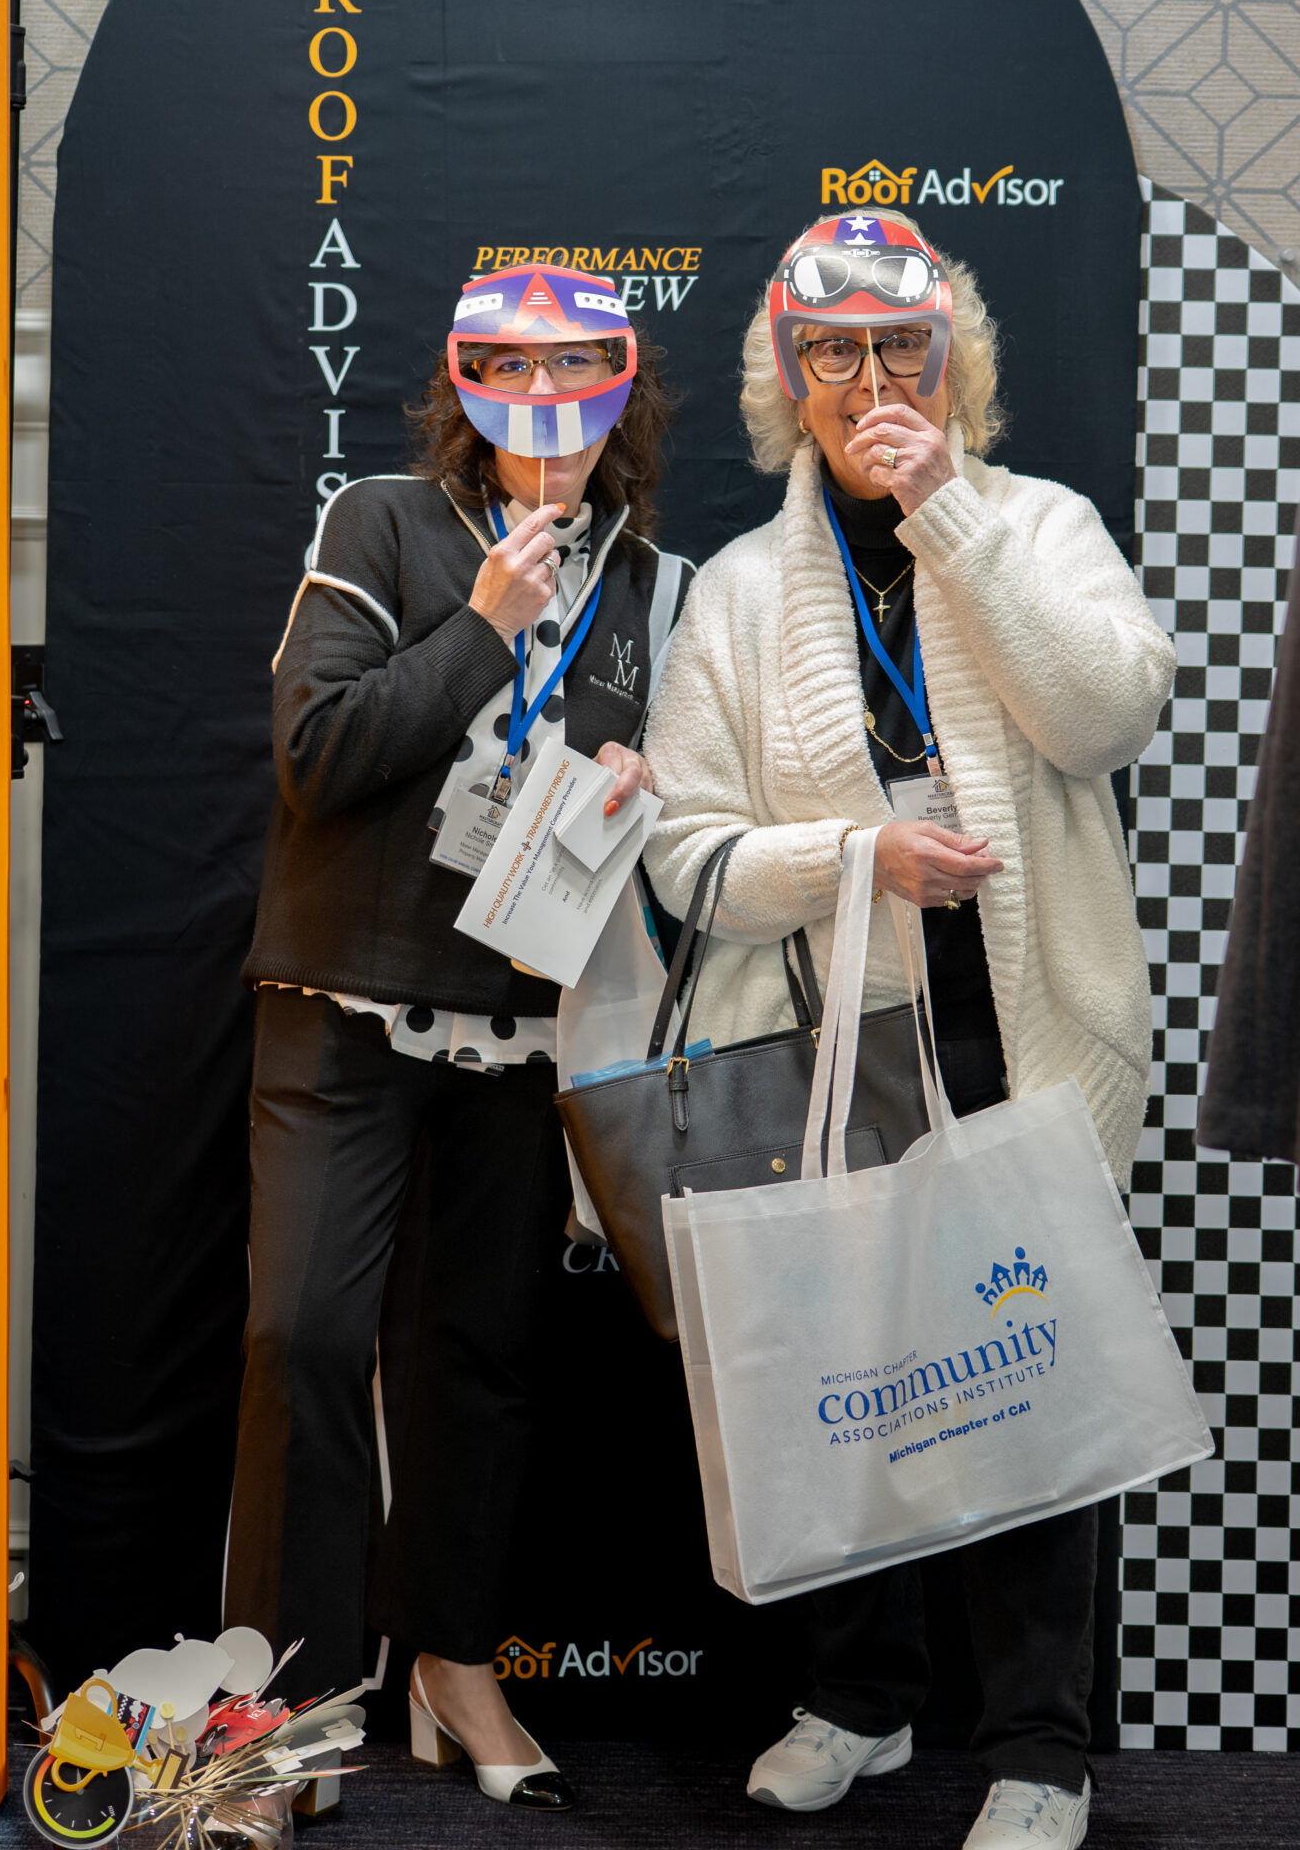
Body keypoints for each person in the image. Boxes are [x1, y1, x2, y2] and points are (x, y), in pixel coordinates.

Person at [643, 210, 1174, 1850]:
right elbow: (683, 856)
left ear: (955, 366)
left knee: (1033, 1376)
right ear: (788, 380)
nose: (869, 382)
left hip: (1021, 1027)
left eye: (900, 349)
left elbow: (1109, 713)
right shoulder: (738, 594)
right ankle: (861, 1701)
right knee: (844, 1377)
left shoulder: (1041, 524)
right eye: (833, 352)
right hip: (830, 1048)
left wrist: (947, 511)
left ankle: (1041, 1751)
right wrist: (856, 856)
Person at [223, 261, 689, 1820]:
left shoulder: (656, 585)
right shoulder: (382, 523)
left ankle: (451, 1663)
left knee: (480, 1360)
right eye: (512, 370)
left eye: (576, 371)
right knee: (300, 1337)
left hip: (521, 1023)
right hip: (343, 1005)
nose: (544, 401)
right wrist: (488, 628)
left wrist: (642, 797)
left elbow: (678, 819)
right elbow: (316, 754)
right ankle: (281, 1706)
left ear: (623, 394)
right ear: (464, 390)